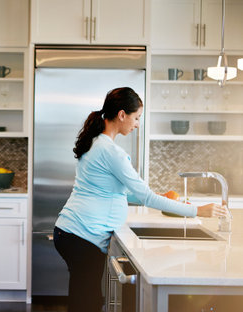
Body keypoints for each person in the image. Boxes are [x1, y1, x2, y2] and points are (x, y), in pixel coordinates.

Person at [53, 87, 226, 312]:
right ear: (122, 114)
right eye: (136, 118)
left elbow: (116, 190)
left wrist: (158, 197)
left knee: (86, 299)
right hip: (82, 236)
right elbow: (146, 197)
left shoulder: (97, 143)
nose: (137, 124)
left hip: (72, 233)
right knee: (88, 302)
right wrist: (198, 210)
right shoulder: (111, 152)